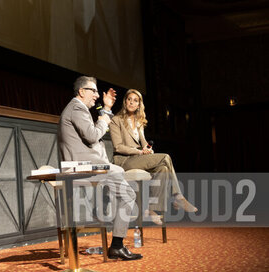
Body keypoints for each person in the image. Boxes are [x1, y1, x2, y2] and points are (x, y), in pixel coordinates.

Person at [58, 75, 142, 261]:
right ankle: (116, 243)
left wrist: (105, 110)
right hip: (81, 169)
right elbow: (92, 135)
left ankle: (107, 212)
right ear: (81, 91)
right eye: (93, 91)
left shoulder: (78, 109)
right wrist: (104, 116)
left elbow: (92, 135)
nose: (96, 94)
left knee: (122, 183)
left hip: (87, 166)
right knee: (127, 192)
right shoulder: (76, 109)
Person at [109, 89, 197, 223]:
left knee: (163, 169)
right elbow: (118, 147)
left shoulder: (138, 121)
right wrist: (139, 151)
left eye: (135, 100)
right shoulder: (116, 120)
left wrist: (147, 150)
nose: (131, 102)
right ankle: (178, 196)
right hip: (123, 161)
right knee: (165, 157)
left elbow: (143, 143)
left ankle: (150, 209)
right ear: (125, 101)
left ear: (139, 105)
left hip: (137, 159)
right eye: (129, 99)